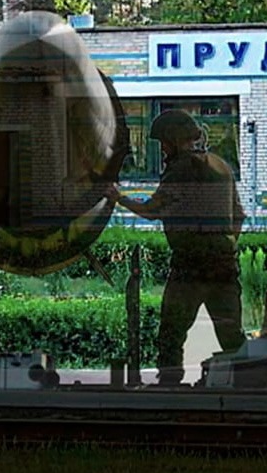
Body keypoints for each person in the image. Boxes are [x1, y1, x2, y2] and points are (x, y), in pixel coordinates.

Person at [105, 108, 247, 386]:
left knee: (171, 331)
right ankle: (247, 383)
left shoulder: (180, 170)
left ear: (174, 140)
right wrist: (225, 245)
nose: (163, 150)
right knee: (231, 333)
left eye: (163, 143)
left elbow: (152, 210)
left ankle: (170, 385)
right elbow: (239, 216)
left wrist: (119, 197)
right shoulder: (221, 166)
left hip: (189, 266)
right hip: (224, 263)